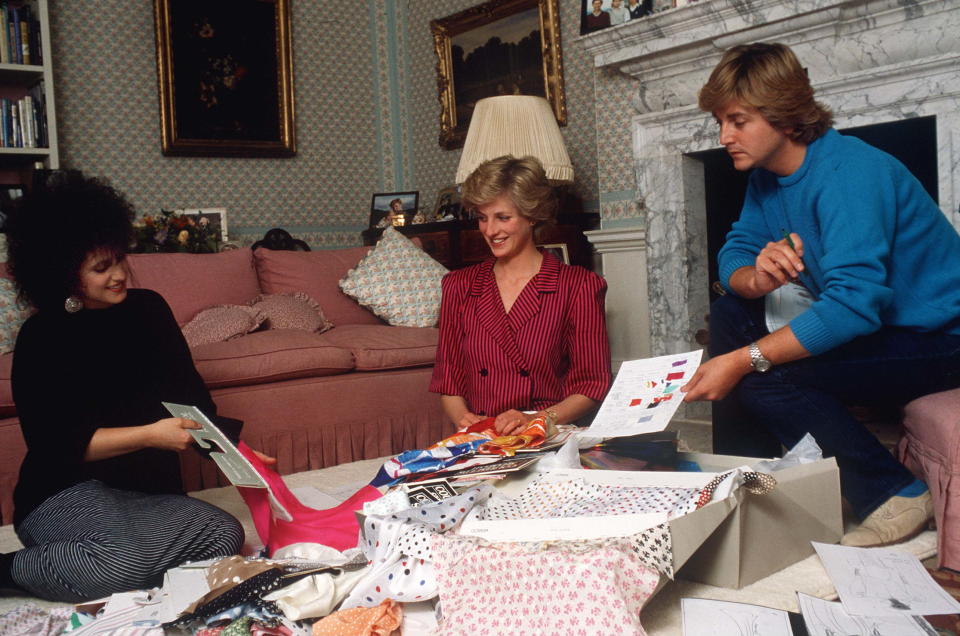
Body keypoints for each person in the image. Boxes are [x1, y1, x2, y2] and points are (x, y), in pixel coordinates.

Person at [682, 42, 960, 547]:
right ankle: (749, 481)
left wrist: (743, 361)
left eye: (737, 121)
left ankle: (893, 491)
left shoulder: (850, 173)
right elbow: (737, 250)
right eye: (721, 122)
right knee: (730, 310)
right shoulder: (768, 177)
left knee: (761, 375)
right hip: (883, 330)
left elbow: (853, 308)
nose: (724, 136)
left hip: (941, 338)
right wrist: (757, 278)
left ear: (784, 115)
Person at [0, 173, 252, 602]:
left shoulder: (150, 309)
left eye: (119, 259)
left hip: (144, 493)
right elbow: (57, 446)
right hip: (64, 491)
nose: (119, 274)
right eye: (101, 268)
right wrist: (152, 435)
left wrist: (237, 453)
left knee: (224, 534)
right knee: (121, 559)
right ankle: (10, 569)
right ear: (62, 273)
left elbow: (191, 400)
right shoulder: (41, 338)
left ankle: (102, 558)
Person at [430, 156, 612, 436]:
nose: (490, 231)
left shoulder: (579, 286)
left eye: (503, 217)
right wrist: (467, 420)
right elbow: (448, 383)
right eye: (482, 218)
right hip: (481, 438)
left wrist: (535, 420)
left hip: (547, 433)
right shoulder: (459, 285)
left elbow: (591, 387)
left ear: (532, 216)